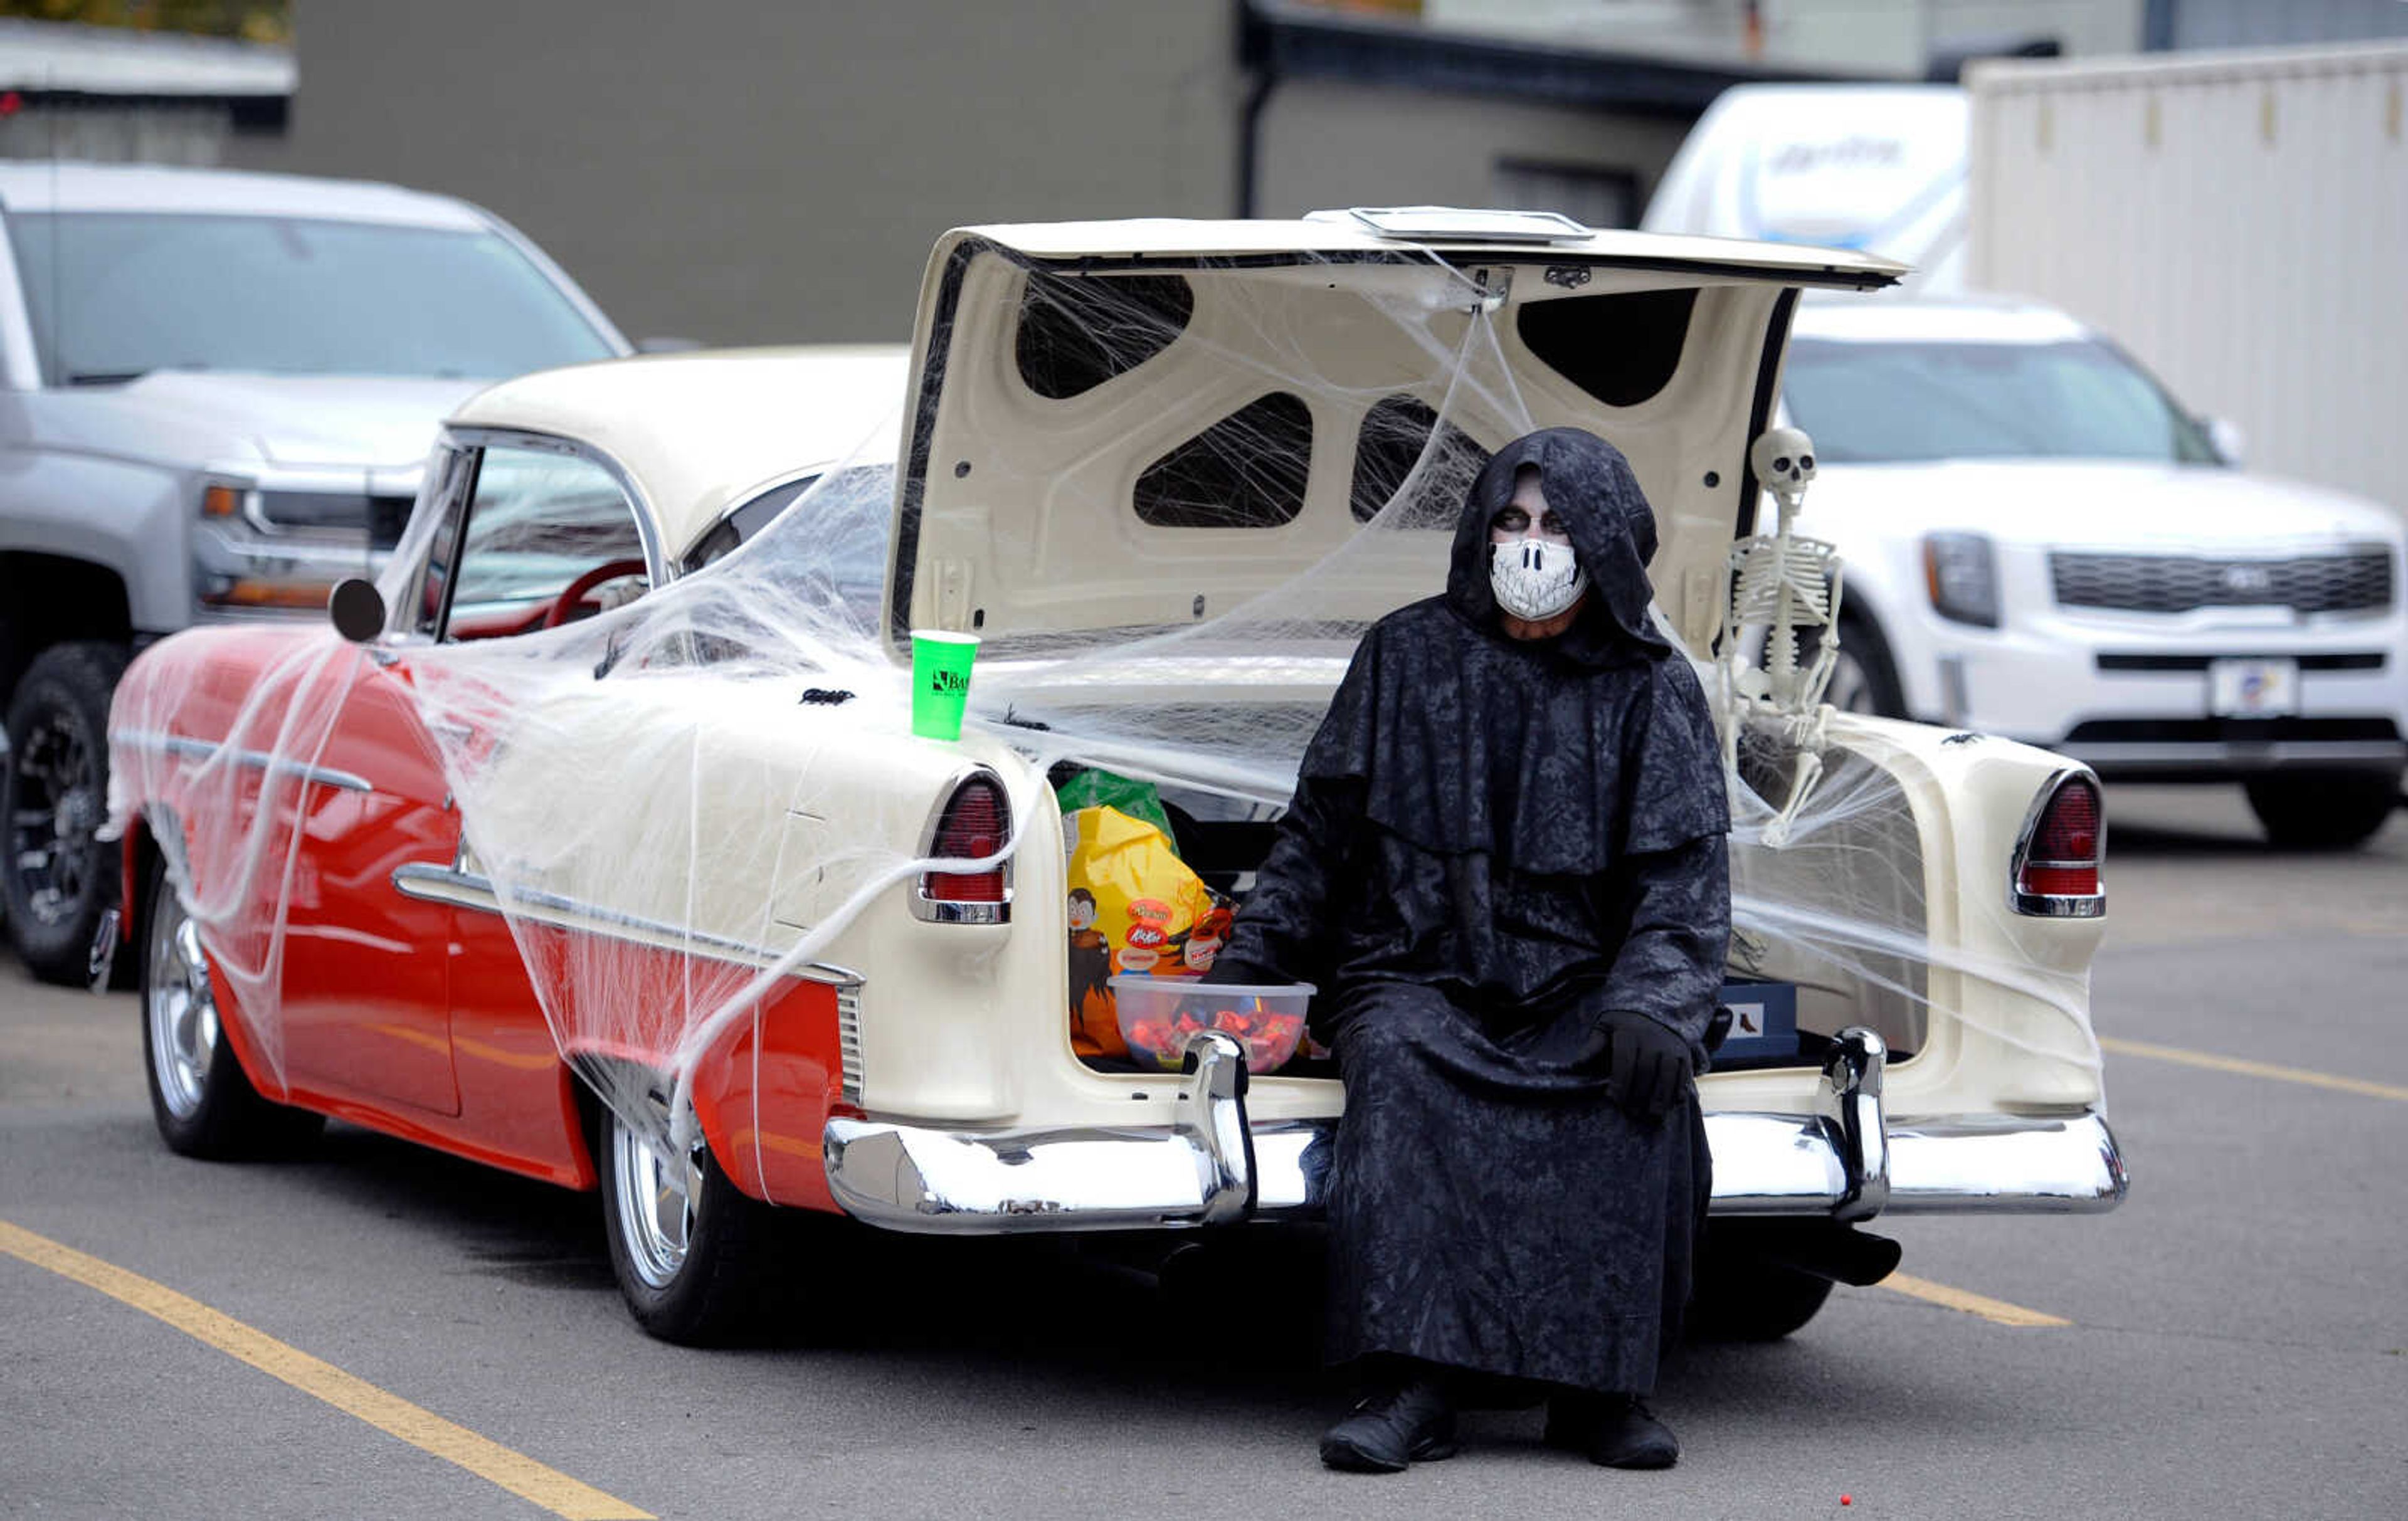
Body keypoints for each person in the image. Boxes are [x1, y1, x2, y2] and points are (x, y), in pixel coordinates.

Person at [1208, 426, 1731, 1474]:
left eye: (1558, 526)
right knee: (1400, 1061)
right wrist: (1240, 981)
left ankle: (1601, 1389)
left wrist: (1659, 999)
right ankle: (1413, 1383)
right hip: (1415, 973)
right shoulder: (1405, 655)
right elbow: (1318, 837)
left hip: (1579, 983)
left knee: (1632, 1073)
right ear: (1481, 530)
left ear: (1609, 545)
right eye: (1513, 520)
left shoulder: (1653, 690)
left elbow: (1684, 885)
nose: (1531, 546)